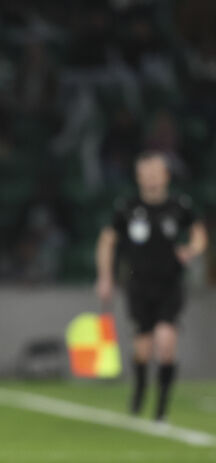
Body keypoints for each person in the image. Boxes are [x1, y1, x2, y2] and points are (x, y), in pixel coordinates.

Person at [95, 151, 207, 422]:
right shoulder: (127, 207)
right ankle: (140, 390)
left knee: (166, 344)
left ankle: (161, 409)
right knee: (142, 350)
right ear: (138, 177)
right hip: (138, 286)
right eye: (146, 174)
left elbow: (199, 234)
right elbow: (107, 241)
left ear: (166, 176)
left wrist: (191, 249)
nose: (151, 179)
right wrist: (105, 277)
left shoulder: (179, 206)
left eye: (156, 173)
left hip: (169, 285)